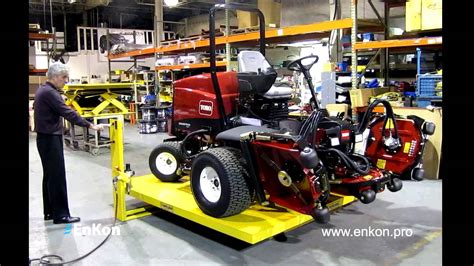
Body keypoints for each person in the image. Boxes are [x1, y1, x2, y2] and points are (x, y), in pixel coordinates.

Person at [34, 62, 104, 224]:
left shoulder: (43, 90)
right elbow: (67, 113)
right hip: (50, 139)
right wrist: (90, 125)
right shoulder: (51, 93)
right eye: (64, 77)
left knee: (50, 176)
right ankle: (61, 215)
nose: (66, 80)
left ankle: (50, 212)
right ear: (55, 77)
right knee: (57, 176)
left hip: (44, 138)